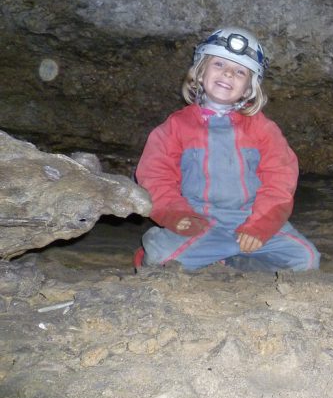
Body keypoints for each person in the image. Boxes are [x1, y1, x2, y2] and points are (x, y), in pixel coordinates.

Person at [134, 27, 320, 273]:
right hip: (201, 222)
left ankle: (230, 260)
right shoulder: (174, 128)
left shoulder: (264, 130)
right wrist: (175, 215)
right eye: (219, 64)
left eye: (240, 71)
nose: (228, 73)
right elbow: (156, 177)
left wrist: (260, 226)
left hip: (251, 219)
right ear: (200, 73)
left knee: (306, 260)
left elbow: (280, 182)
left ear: (248, 89)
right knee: (159, 260)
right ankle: (199, 253)